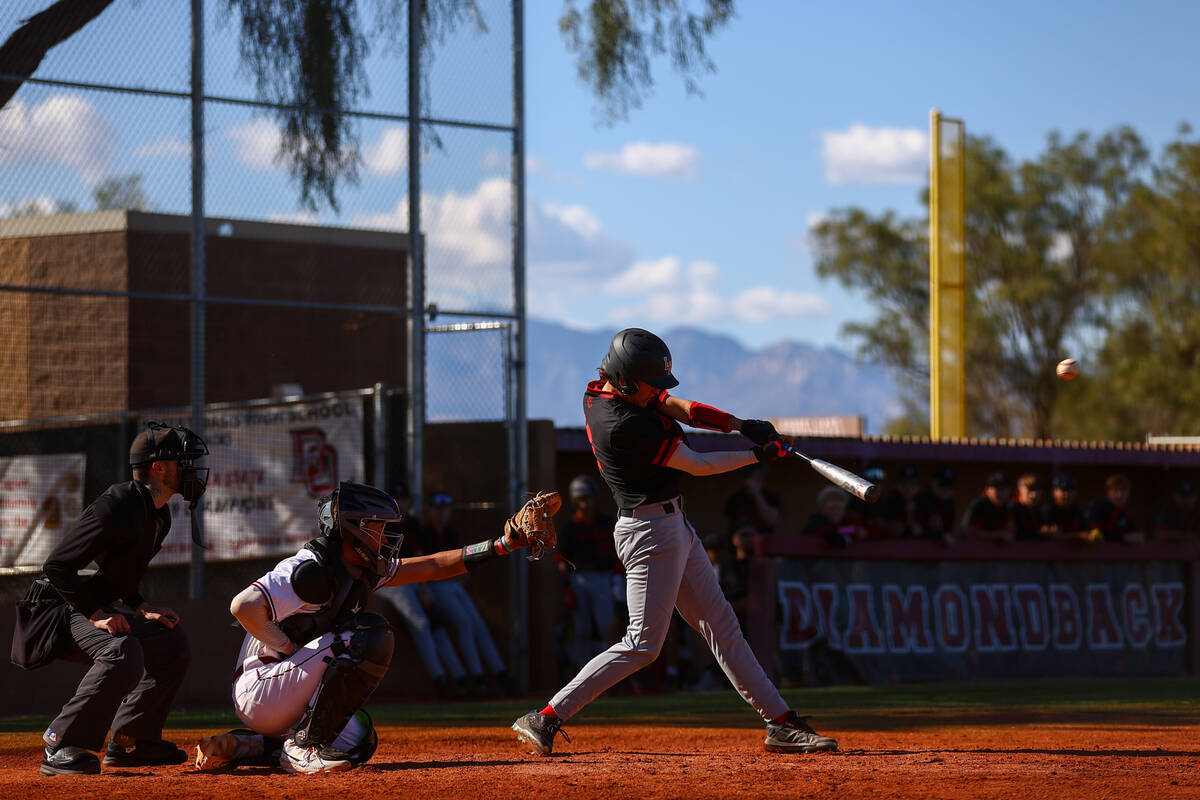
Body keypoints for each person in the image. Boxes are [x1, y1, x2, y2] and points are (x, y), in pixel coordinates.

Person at [511, 328, 837, 757]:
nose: (657, 393)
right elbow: (697, 464)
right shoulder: (621, 424)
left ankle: (780, 723)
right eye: (650, 385)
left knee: (723, 627)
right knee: (642, 645)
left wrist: (739, 425)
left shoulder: (606, 392)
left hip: (672, 525)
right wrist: (759, 455)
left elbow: (677, 406)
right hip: (649, 535)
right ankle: (547, 717)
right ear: (626, 380)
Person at [194, 481, 551, 774]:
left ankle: (254, 746)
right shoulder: (310, 569)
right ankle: (305, 746)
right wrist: (289, 649)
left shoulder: (363, 569)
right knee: (367, 636)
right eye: (379, 527)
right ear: (353, 529)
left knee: (360, 738)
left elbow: (434, 565)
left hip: (289, 687)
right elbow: (243, 606)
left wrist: (503, 545)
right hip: (261, 687)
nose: (387, 536)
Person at [11, 423, 208, 776]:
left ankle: (133, 742)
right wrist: (97, 615)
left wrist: (142, 606)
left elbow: (118, 574)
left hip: (84, 605)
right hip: (56, 609)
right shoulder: (117, 504)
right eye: (183, 462)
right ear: (159, 468)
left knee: (170, 641)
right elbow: (57, 567)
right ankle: (60, 745)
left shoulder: (158, 513)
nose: (191, 469)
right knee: (122, 650)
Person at [376, 484, 470, 698]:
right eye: (395, 497)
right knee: (421, 622)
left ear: (410, 501)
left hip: (412, 578)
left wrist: (424, 589)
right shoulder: (378, 523)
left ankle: (458, 678)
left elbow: (419, 558)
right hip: (388, 580)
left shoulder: (413, 524)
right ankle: (439, 680)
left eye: (403, 498)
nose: (400, 502)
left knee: (436, 624)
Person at [421, 490, 512, 694]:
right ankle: (477, 677)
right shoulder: (424, 532)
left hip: (454, 585)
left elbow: (462, 565)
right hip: (436, 585)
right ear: (429, 511)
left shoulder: (451, 533)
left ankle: (499, 674)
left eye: (444, 509)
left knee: (478, 625)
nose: (441, 514)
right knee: (465, 624)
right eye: (437, 509)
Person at [557, 475, 619, 671]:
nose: (586, 502)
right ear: (575, 501)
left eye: (588, 497)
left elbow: (618, 553)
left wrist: (617, 577)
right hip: (579, 579)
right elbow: (560, 559)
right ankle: (583, 675)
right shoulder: (569, 528)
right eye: (581, 498)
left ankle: (610, 673)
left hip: (604, 578)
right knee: (580, 630)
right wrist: (567, 586)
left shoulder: (607, 523)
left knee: (607, 627)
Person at [723, 463, 781, 538]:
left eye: (757, 479)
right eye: (750, 477)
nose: (751, 482)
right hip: (739, 545)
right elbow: (726, 526)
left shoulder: (771, 497)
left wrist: (757, 493)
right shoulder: (735, 498)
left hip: (764, 544)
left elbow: (771, 520)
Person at [1085, 473, 1144, 544]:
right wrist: (1123, 538)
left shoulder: (1125, 512)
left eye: (1123, 490)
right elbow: (1095, 535)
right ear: (1108, 492)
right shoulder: (1098, 507)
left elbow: (1137, 536)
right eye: (1116, 490)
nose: (1119, 495)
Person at [800, 486, 866, 548]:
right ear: (823, 509)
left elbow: (857, 532)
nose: (835, 512)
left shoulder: (850, 523)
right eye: (832, 508)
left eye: (838, 508)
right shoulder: (815, 524)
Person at [961, 472, 1016, 543]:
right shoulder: (979, 505)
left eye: (1004, 489)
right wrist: (998, 535)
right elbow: (969, 532)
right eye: (997, 489)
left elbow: (1011, 529)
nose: (1001, 493)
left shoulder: (1009, 506)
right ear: (987, 490)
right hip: (971, 550)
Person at [913, 465, 956, 544]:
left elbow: (948, 531)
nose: (945, 489)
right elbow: (916, 530)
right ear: (933, 483)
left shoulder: (950, 504)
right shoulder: (921, 500)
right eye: (942, 485)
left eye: (949, 486)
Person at [879, 463, 922, 538]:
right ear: (897, 484)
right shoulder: (890, 501)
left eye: (912, 484)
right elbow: (894, 530)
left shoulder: (923, 500)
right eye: (904, 483)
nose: (908, 488)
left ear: (918, 486)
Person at [1039, 474, 1087, 541]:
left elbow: (1085, 533)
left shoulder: (1077, 511)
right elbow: (1047, 535)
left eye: (1071, 490)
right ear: (1054, 492)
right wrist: (1078, 536)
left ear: (1076, 492)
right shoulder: (1047, 511)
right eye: (1063, 490)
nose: (1067, 494)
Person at [1010, 474, 1046, 541]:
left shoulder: (1040, 510)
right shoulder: (1012, 509)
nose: (1034, 495)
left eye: (1037, 490)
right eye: (1030, 490)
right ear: (1019, 491)